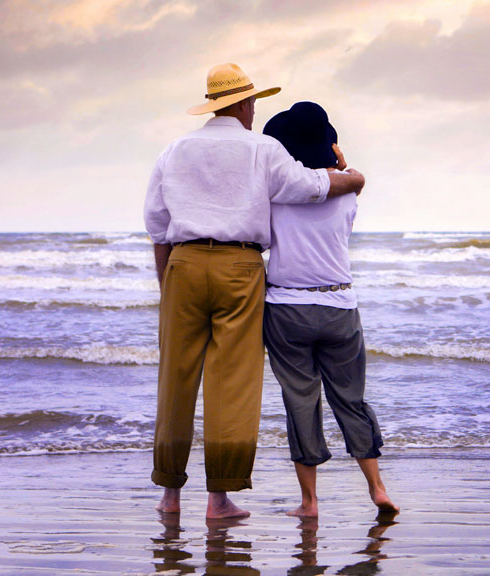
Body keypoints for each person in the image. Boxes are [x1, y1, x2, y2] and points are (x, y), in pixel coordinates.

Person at [143, 64, 366, 519]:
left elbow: (157, 226)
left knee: (175, 382)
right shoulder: (263, 148)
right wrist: (355, 179)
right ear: (245, 104)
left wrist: (168, 286)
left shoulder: (174, 149)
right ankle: (218, 499)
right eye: (253, 103)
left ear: (212, 105)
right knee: (232, 383)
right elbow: (311, 186)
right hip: (240, 266)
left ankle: (169, 495)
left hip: (183, 264)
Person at [261, 101, 398, 517]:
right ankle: (377, 487)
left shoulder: (275, 194)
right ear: (329, 145)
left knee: (301, 400)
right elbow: (350, 180)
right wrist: (341, 161)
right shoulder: (348, 192)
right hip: (339, 304)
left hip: (287, 308)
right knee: (350, 399)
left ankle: (309, 502)